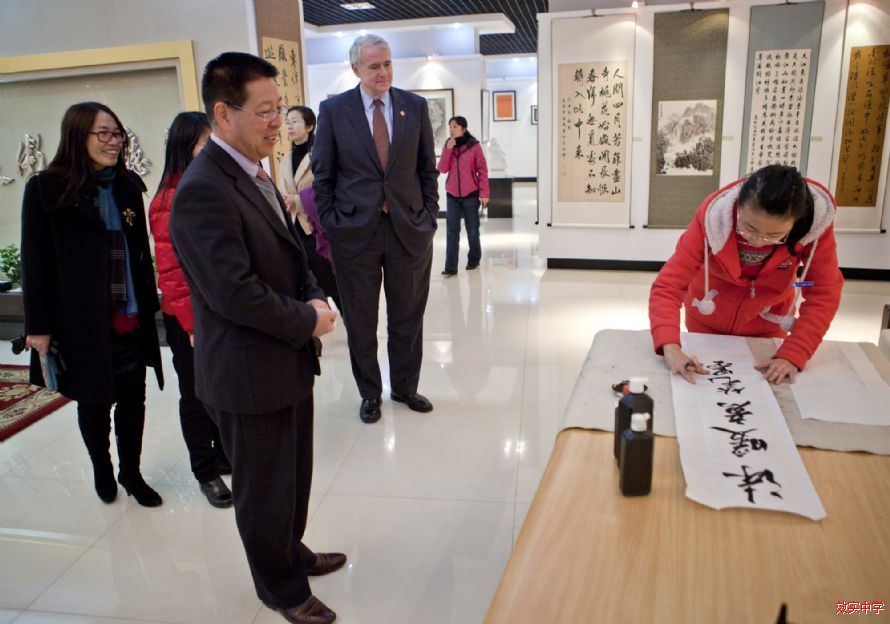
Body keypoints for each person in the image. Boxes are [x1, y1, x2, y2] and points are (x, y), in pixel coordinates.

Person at [169, 52, 344, 624]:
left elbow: (293, 252)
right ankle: (281, 589)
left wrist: (315, 295)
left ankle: (292, 552)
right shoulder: (203, 190)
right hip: (247, 371)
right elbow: (233, 293)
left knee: (292, 477)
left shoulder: (255, 171)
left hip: (285, 359)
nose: (278, 122)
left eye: (279, 108)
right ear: (223, 113)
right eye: (265, 111)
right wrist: (306, 320)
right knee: (264, 490)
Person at [21, 101, 165, 507]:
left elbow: (139, 252)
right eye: (103, 133)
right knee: (94, 401)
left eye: (117, 133)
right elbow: (36, 261)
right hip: (81, 321)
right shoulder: (47, 189)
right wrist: (39, 327)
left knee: (134, 401)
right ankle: (102, 466)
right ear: (77, 135)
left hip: (129, 317)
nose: (113, 141)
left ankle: (131, 472)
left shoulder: (127, 185)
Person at [312, 33, 440, 424]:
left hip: (408, 229)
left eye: (387, 64)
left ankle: (404, 387)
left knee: (408, 316)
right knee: (361, 320)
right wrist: (333, 223)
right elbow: (323, 175)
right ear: (356, 69)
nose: (383, 72)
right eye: (374, 66)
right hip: (355, 232)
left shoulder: (413, 107)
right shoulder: (335, 111)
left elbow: (426, 169)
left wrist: (429, 217)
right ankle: (370, 393)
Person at [649, 164, 843, 385]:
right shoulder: (714, 217)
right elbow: (669, 285)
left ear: (796, 222)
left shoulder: (813, 229)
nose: (757, 241)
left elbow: (822, 291)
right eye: (749, 228)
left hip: (769, 324)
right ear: (738, 206)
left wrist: (795, 352)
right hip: (706, 319)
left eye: (774, 235)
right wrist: (670, 346)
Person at [148, 111, 233, 509]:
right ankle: (205, 470)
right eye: (204, 143)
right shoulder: (169, 199)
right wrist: (192, 325)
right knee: (196, 393)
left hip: (216, 311)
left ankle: (222, 453)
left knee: (218, 388)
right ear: (185, 148)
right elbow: (171, 273)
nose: (212, 149)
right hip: (188, 317)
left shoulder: (210, 184)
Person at [277, 105, 341, 315]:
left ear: (310, 126)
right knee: (309, 287)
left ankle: (353, 325)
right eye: (287, 122)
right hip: (296, 230)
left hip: (318, 229)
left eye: (295, 121)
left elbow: (330, 189)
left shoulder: (320, 155)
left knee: (335, 285)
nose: (289, 126)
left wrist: (298, 200)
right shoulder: (285, 160)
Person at [437, 115, 489, 276]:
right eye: (450, 127)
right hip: (452, 195)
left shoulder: (474, 146)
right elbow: (442, 169)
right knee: (452, 231)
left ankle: (474, 259)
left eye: (455, 127)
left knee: (472, 230)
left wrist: (484, 193)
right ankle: (450, 266)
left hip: (471, 195)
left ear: (464, 129)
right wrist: (448, 149)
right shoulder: (448, 145)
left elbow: (482, 170)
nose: (451, 130)